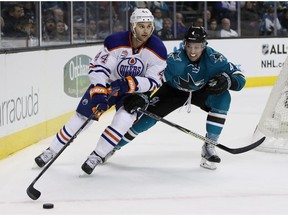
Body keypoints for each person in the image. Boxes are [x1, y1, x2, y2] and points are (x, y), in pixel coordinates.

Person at [34, 8, 167, 174]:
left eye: (148, 26)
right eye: (141, 26)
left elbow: (154, 81)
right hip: (108, 84)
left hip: (134, 91)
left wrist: (130, 84)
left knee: (124, 120)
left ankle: (97, 155)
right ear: (133, 26)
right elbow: (98, 68)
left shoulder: (158, 49)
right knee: (83, 117)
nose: (146, 30)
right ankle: (51, 151)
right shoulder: (115, 41)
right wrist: (99, 90)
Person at [106, 26, 246, 170]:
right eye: (189, 46)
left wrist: (229, 80)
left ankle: (209, 145)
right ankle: (111, 147)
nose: (192, 51)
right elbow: (154, 79)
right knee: (144, 122)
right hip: (172, 91)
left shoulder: (214, 59)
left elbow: (240, 77)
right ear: (185, 44)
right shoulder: (175, 60)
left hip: (200, 91)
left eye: (197, 47)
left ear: (204, 45)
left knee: (223, 98)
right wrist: (143, 95)